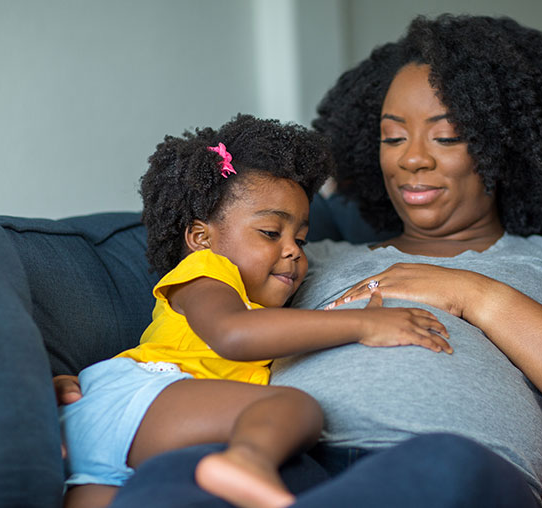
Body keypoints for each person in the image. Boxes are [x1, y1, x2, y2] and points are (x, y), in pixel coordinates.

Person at [56, 14, 542, 507]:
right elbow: (195, 331)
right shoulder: (295, 256)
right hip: (280, 461)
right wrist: (87, 388)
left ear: (505, 142)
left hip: (445, 469)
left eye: (446, 135)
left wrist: (473, 294)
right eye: (391, 135)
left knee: (445, 467)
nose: (410, 159)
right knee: (176, 477)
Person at [58, 113, 452, 508]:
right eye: (270, 232)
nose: (294, 250)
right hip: (140, 397)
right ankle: (248, 460)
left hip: (112, 448)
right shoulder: (206, 272)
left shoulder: (255, 300)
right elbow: (234, 334)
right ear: (201, 238)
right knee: (290, 406)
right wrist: (363, 323)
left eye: (300, 237)